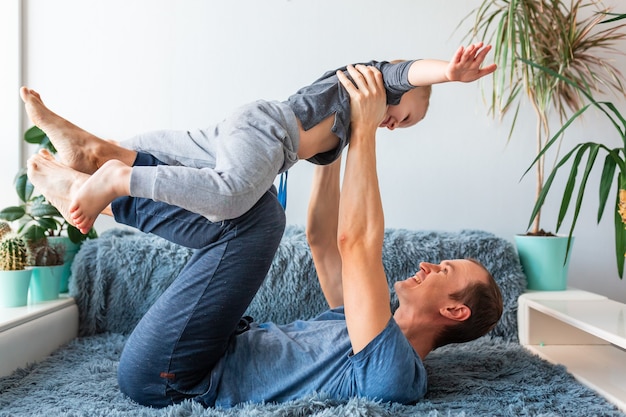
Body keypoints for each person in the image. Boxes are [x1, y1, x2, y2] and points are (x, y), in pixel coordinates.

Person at [25, 63, 503, 408]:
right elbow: (321, 238)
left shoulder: (397, 374)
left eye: (443, 270)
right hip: (194, 353)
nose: (426, 266)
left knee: (259, 216)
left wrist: (368, 132)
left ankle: (110, 186)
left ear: (454, 310)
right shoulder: (361, 321)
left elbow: (355, 244)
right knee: (250, 208)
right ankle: (96, 173)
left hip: (175, 379)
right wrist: (339, 143)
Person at [20, 42, 497, 235]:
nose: (396, 124)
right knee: (228, 200)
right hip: (272, 134)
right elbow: (408, 71)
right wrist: (450, 74)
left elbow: (325, 209)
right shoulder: (375, 78)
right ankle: (120, 178)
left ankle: (86, 148)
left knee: (172, 157)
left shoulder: (351, 127)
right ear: (400, 91)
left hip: (246, 128)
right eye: (406, 115)